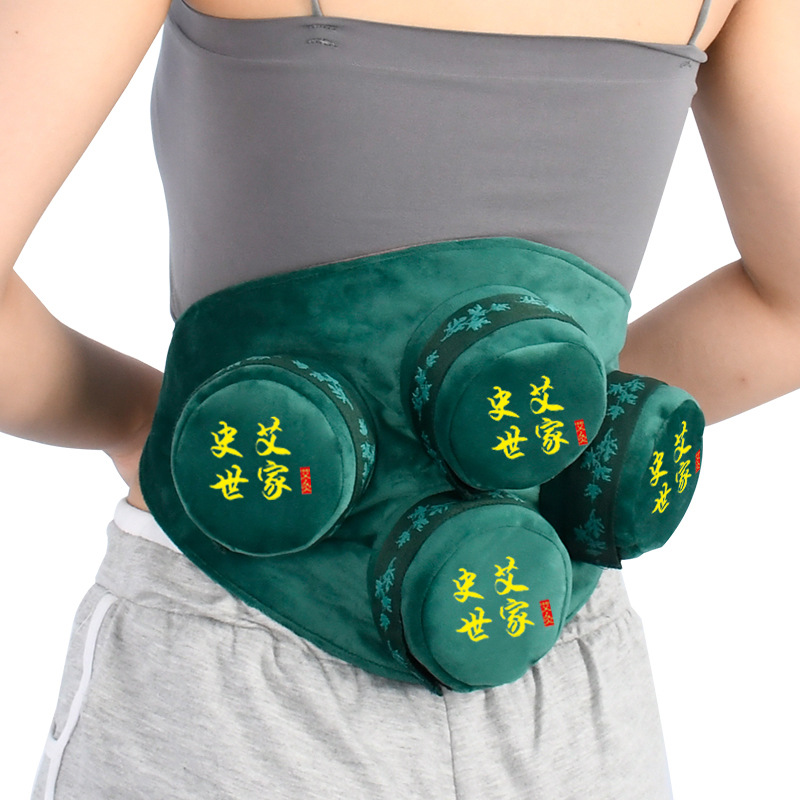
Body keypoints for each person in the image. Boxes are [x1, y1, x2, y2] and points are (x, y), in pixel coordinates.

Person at [2, 0, 798, 797]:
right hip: (548, 650)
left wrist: (135, 420)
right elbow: (787, 307)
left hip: (231, 657)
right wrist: (556, 415)